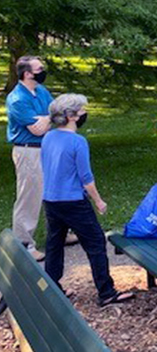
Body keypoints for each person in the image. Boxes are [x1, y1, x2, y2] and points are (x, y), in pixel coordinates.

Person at [41, 94, 135, 306]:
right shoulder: (78, 142)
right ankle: (106, 292)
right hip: (74, 202)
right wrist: (99, 201)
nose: (85, 114)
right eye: (82, 110)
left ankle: (51, 288)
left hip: (51, 200)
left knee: (54, 245)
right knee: (96, 243)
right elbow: (86, 178)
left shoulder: (48, 137)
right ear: (71, 116)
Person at [6, 56, 54, 261]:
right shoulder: (17, 99)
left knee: (54, 191)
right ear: (27, 74)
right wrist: (48, 119)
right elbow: (36, 130)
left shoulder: (42, 91)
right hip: (28, 151)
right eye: (39, 68)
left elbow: (57, 114)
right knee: (29, 196)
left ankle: (60, 232)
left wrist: (47, 119)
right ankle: (24, 243)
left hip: (46, 149)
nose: (43, 71)